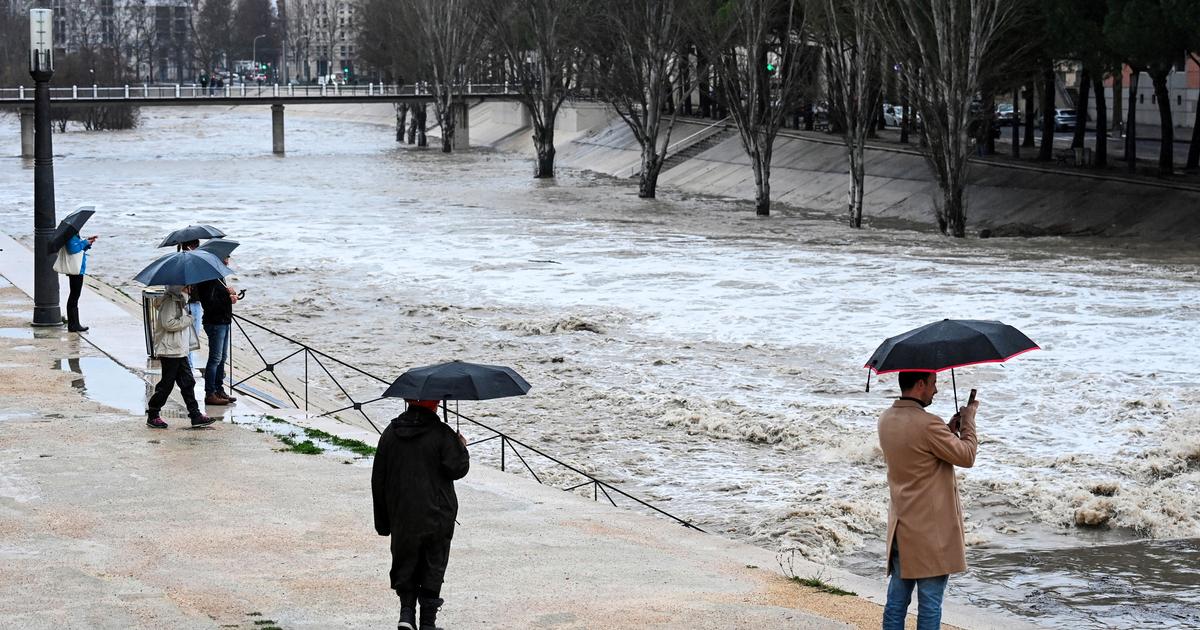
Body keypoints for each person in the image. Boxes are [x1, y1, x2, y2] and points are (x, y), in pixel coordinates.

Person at [877, 371, 978, 630]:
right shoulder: (928, 424)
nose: (936, 390)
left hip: (902, 525)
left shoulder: (886, 419)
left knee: (896, 602)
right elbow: (967, 456)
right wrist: (968, 421)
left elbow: (916, 451)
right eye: (933, 383)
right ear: (920, 384)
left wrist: (947, 432)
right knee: (930, 604)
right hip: (931, 533)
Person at [372, 399, 470, 630]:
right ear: (435, 404)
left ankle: (406, 615)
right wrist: (461, 447)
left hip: (402, 512)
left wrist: (383, 521)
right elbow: (458, 469)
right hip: (437, 513)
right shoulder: (442, 434)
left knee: (405, 561)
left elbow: (378, 479)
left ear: (408, 401)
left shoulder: (390, 433)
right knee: (433, 563)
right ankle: (427, 623)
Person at [146, 285, 214, 429]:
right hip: (171, 351)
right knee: (166, 385)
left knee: (187, 382)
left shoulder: (179, 301)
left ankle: (195, 415)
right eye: (187, 287)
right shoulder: (170, 302)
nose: (190, 289)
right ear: (179, 287)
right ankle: (153, 414)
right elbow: (168, 323)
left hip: (179, 350)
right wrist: (188, 319)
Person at [196, 258, 238, 406]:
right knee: (215, 358)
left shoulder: (219, 277)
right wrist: (228, 296)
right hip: (215, 323)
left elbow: (220, 299)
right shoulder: (207, 279)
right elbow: (210, 303)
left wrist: (231, 295)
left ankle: (219, 389)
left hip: (224, 321)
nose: (227, 261)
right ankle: (210, 393)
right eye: (225, 259)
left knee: (222, 357)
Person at [53, 232, 96, 332]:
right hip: (76, 270)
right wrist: (85, 242)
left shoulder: (74, 235)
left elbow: (79, 249)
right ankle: (74, 324)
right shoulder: (71, 235)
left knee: (74, 296)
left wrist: (87, 242)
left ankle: (74, 324)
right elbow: (72, 249)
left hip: (78, 269)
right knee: (74, 296)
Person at [178, 240, 204, 370]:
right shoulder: (191, 263)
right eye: (196, 246)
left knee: (189, 339)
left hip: (189, 304)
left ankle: (188, 366)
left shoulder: (178, 262)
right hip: (190, 304)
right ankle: (188, 367)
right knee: (190, 338)